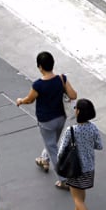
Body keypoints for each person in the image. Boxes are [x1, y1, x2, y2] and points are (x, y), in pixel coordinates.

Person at [16, 51, 78, 189]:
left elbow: (30, 100)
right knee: (52, 143)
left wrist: (20, 100)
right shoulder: (62, 79)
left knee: (53, 149)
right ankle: (44, 159)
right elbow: (73, 95)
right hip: (61, 118)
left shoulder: (38, 85)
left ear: (40, 67)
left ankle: (63, 179)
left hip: (46, 122)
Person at [57, 99, 102, 210]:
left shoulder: (71, 131)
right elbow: (99, 146)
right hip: (89, 167)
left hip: (75, 168)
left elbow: (61, 151)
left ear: (78, 112)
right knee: (81, 191)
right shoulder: (93, 128)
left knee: (76, 197)